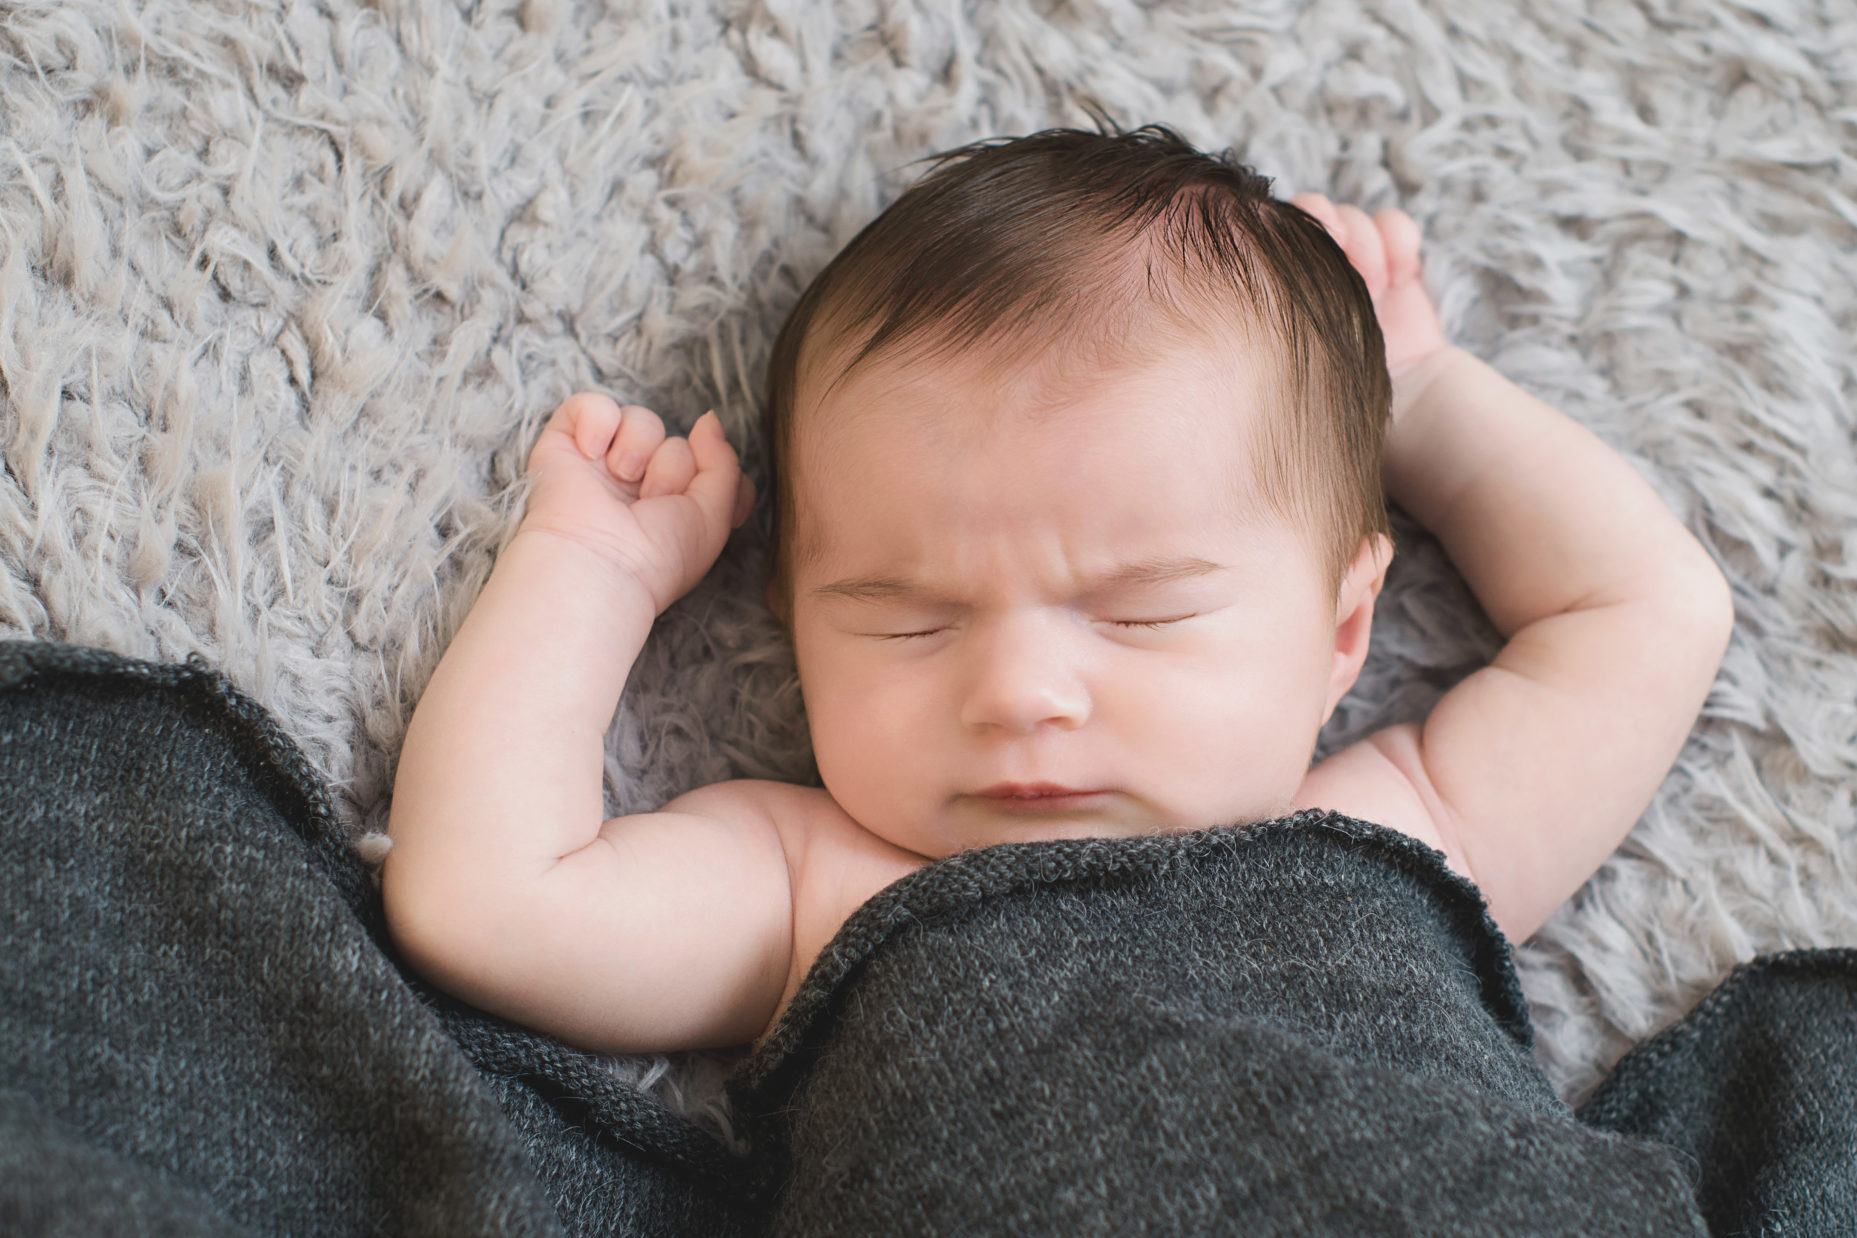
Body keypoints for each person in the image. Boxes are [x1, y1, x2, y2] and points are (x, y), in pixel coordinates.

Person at [378, 123, 1735, 1058]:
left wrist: (1420, 399)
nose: (1018, 691)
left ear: (1337, 631)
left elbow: (1640, 614)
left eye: (1139, 610)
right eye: (907, 617)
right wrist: (589, 573)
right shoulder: (817, 894)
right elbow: (488, 901)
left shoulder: (1399, 843)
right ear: (793, 633)